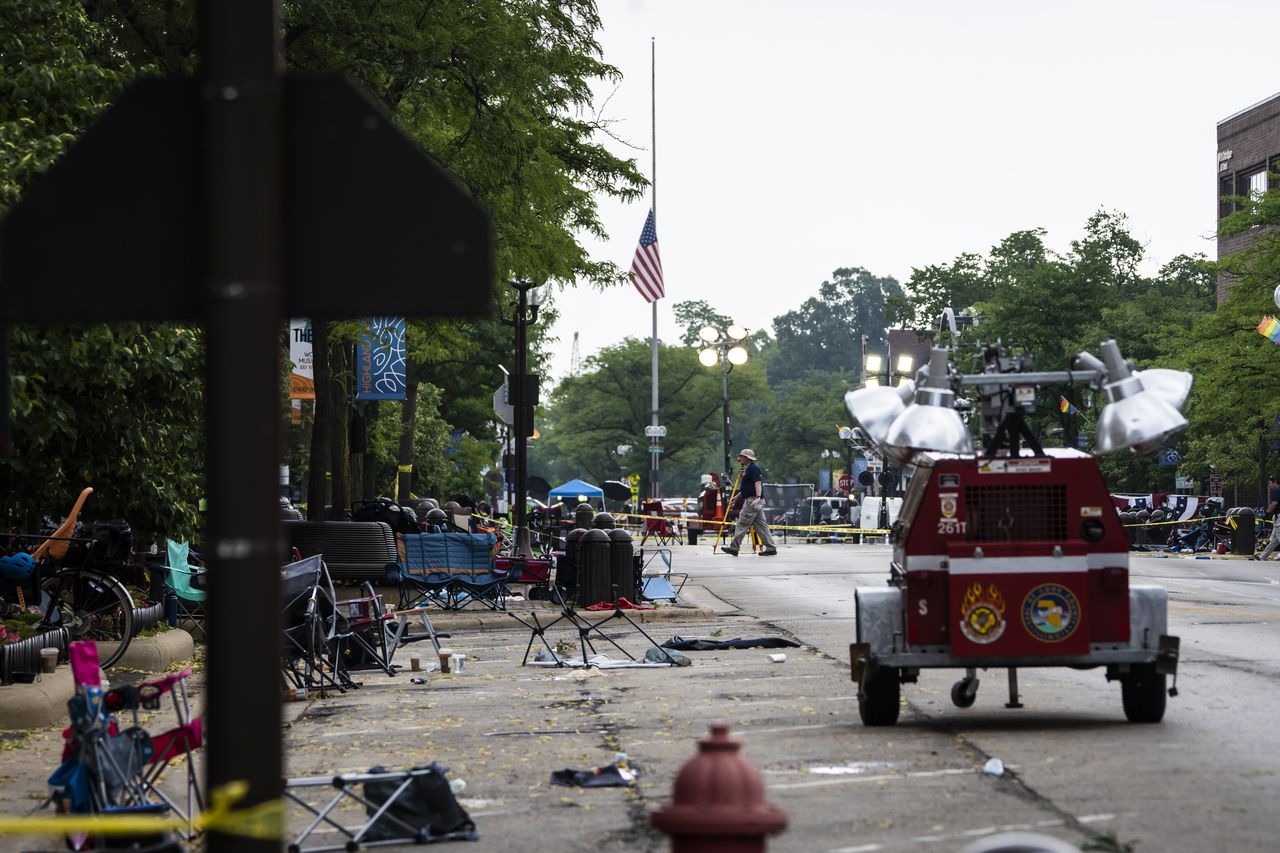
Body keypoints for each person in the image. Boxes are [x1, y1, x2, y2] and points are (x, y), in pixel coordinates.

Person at [721, 449, 777, 557]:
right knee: (761, 526)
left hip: (752, 501)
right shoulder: (748, 469)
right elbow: (747, 488)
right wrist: (737, 497)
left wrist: (758, 496)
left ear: (747, 458)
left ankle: (734, 548)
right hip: (755, 500)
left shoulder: (753, 469)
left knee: (742, 523)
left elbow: (758, 483)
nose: (740, 458)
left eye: (742, 456)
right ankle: (771, 548)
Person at [1249, 475, 1280, 560]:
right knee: (1274, 540)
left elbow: (1274, 503)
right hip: (1277, 517)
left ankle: (1263, 556)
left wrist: (1267, 513)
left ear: (1274, 482)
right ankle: (1263, 556)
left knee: (1278, 537)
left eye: (1269, 483)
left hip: (1279, 518)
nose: (1269, 486)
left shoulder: (1276, 490)